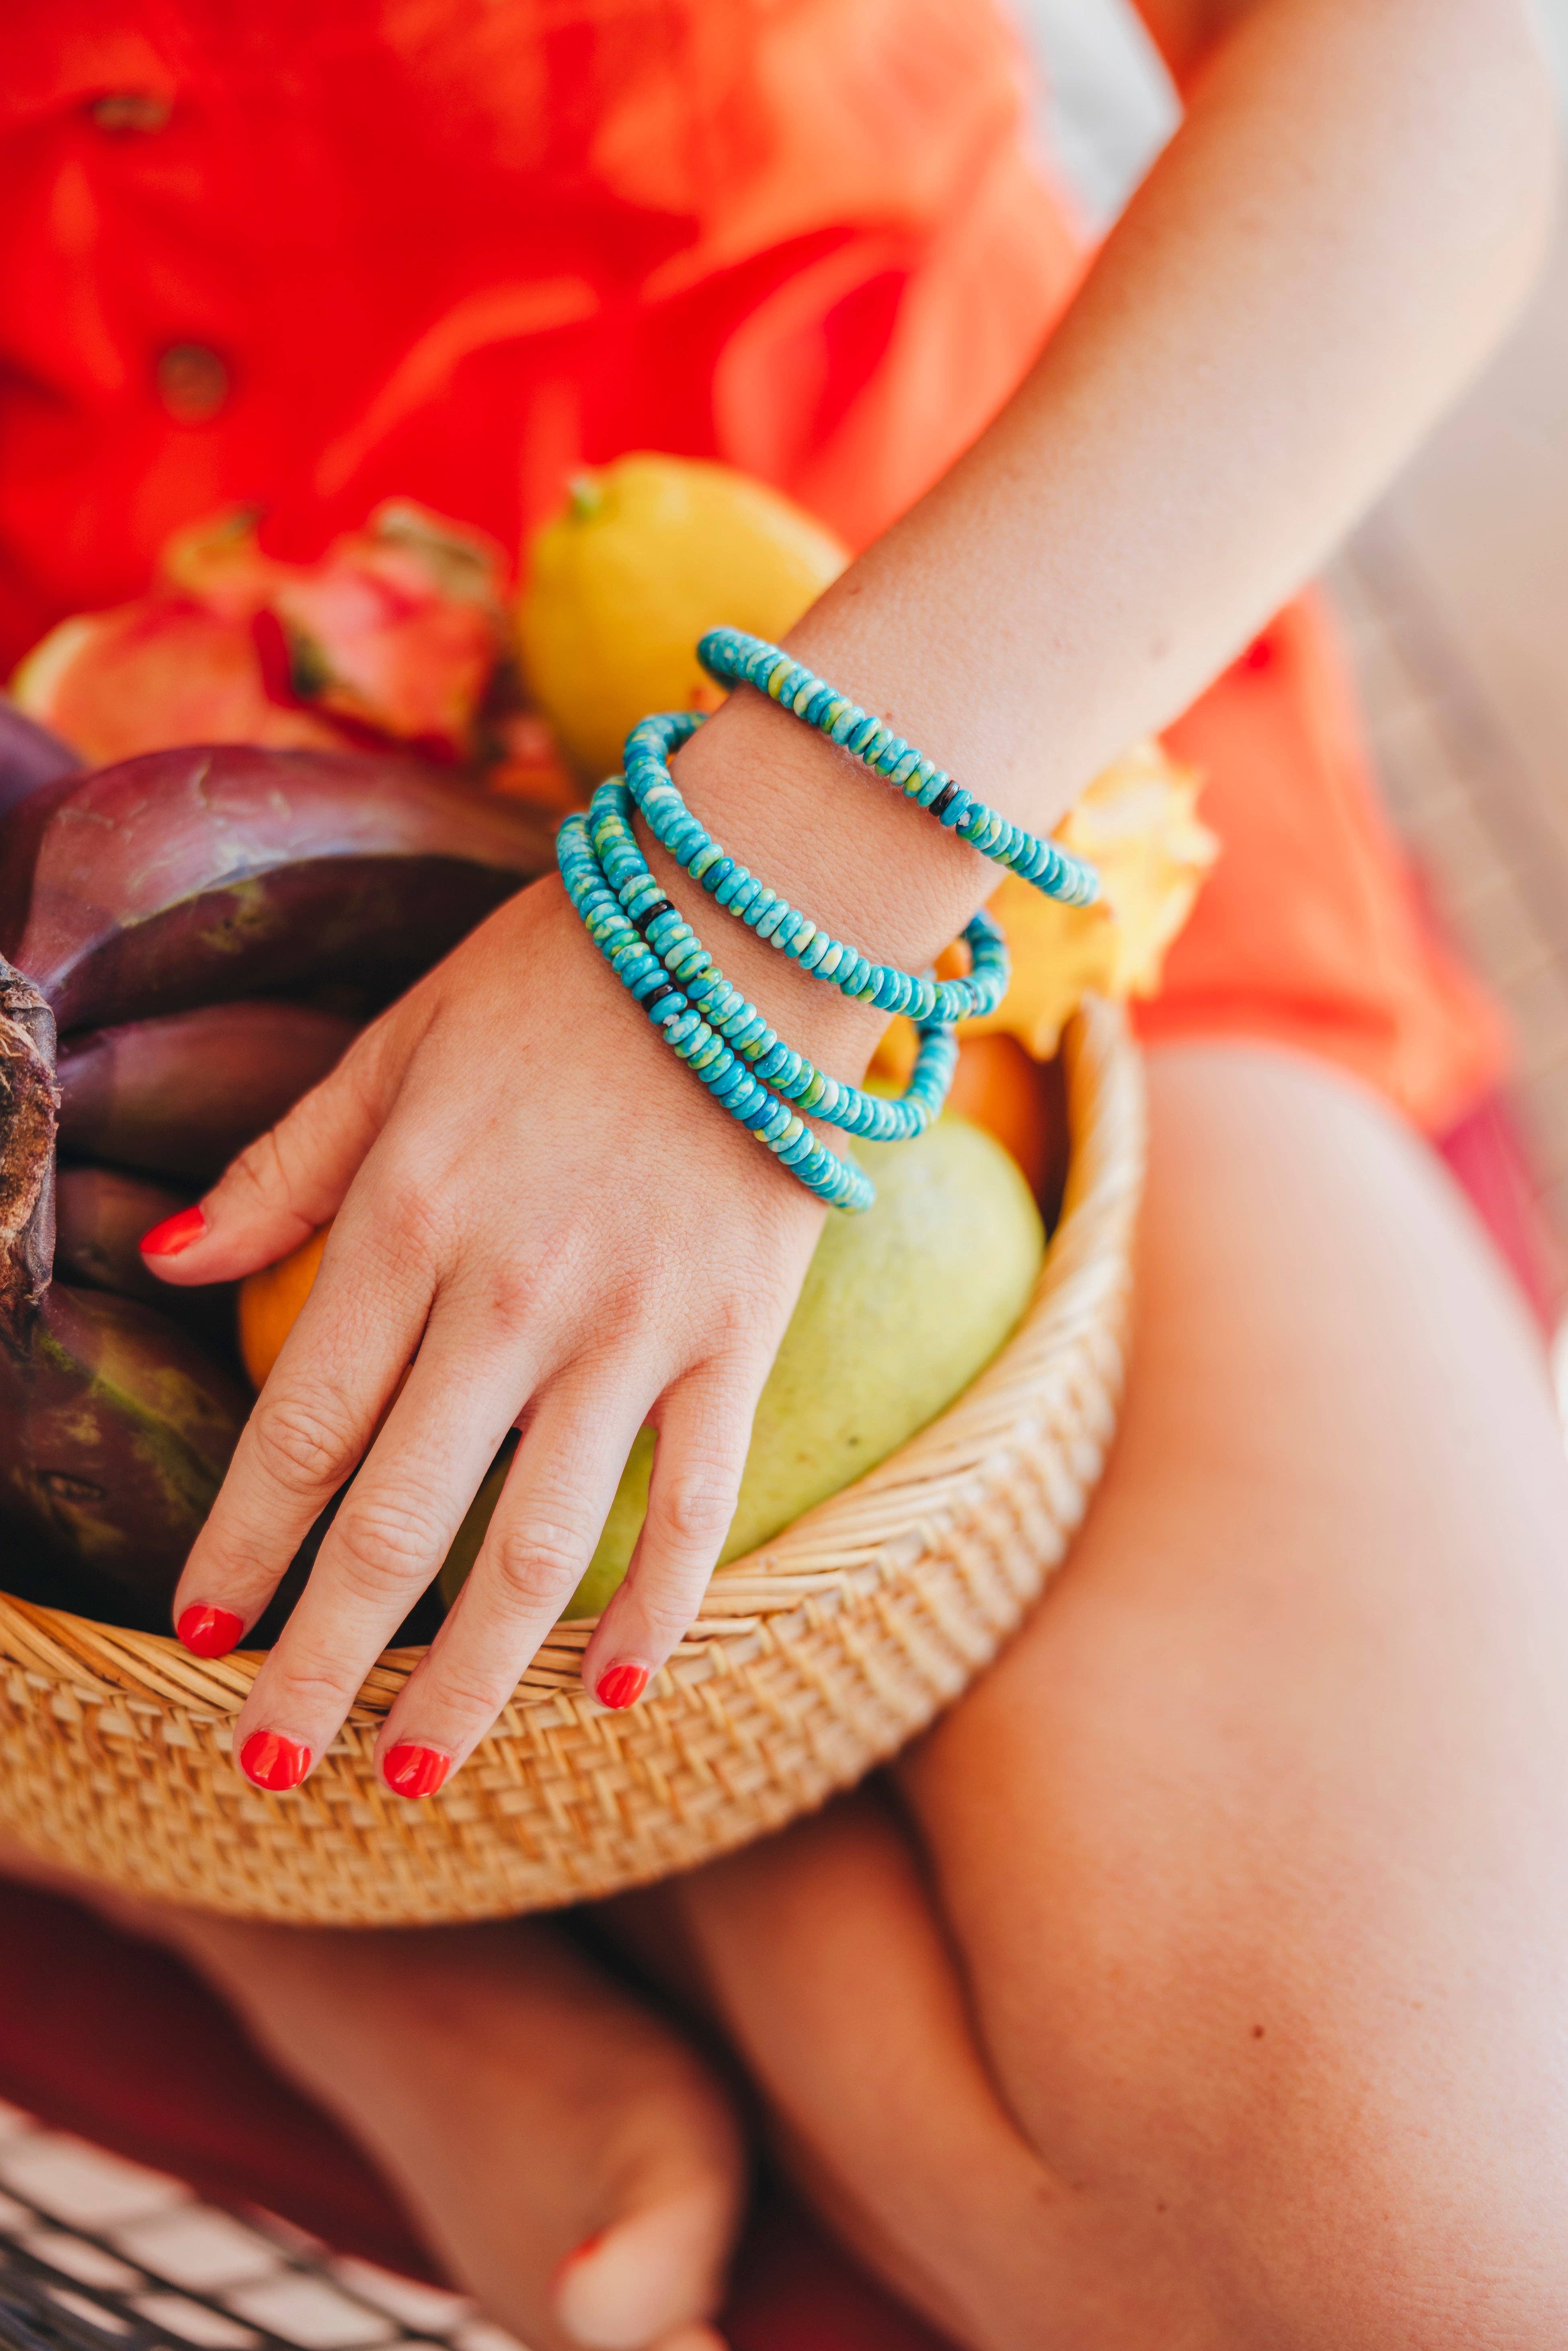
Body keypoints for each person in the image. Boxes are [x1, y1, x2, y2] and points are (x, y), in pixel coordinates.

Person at [4, 1, 1568, 2344]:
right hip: (61, 856)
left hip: (952, 727)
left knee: (1411, 2268)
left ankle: (547, 1863)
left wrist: (745, 928)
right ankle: (287, 1882)